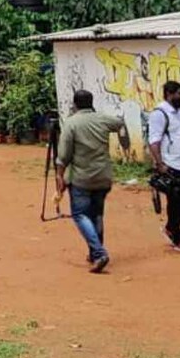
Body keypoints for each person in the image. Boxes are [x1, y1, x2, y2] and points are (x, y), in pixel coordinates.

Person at [55, 90, 128, 274]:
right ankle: (95, 253)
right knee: (97, 215)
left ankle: (99, 252)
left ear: (75, 104)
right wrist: (125, 144)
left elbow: (63, 156)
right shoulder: (102, 119)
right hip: (103, 177)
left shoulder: (71, 123)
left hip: (81, 178)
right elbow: (120, 124)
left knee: (80, 215)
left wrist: (59, 176)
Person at [148, 81, 180, 254]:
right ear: (169, 94)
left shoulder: (179, 112)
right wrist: (159, 164)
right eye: (179, 93)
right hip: (171, 164)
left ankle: (171, 227)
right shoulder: (159, 114)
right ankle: (178, 237)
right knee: (176, 200)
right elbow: (154, 141)